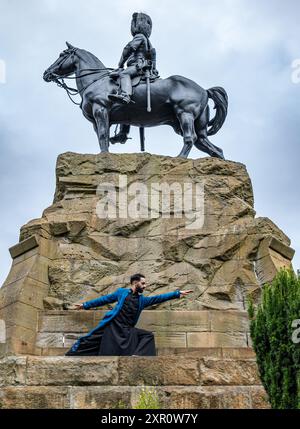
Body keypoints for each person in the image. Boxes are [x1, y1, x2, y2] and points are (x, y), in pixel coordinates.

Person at [65, 273, 192, 356]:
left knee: (148, 336)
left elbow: (158, 298)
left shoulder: (142, 300)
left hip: (127, 330)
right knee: (89, 342)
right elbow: (105, 299)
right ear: (135, 283)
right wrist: (85, 305)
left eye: (145, 284)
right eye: (143, 283)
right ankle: (72, 354)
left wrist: (176, 293)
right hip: (113, 327)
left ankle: (137, 356)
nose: (145, 286)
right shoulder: (121, 292)